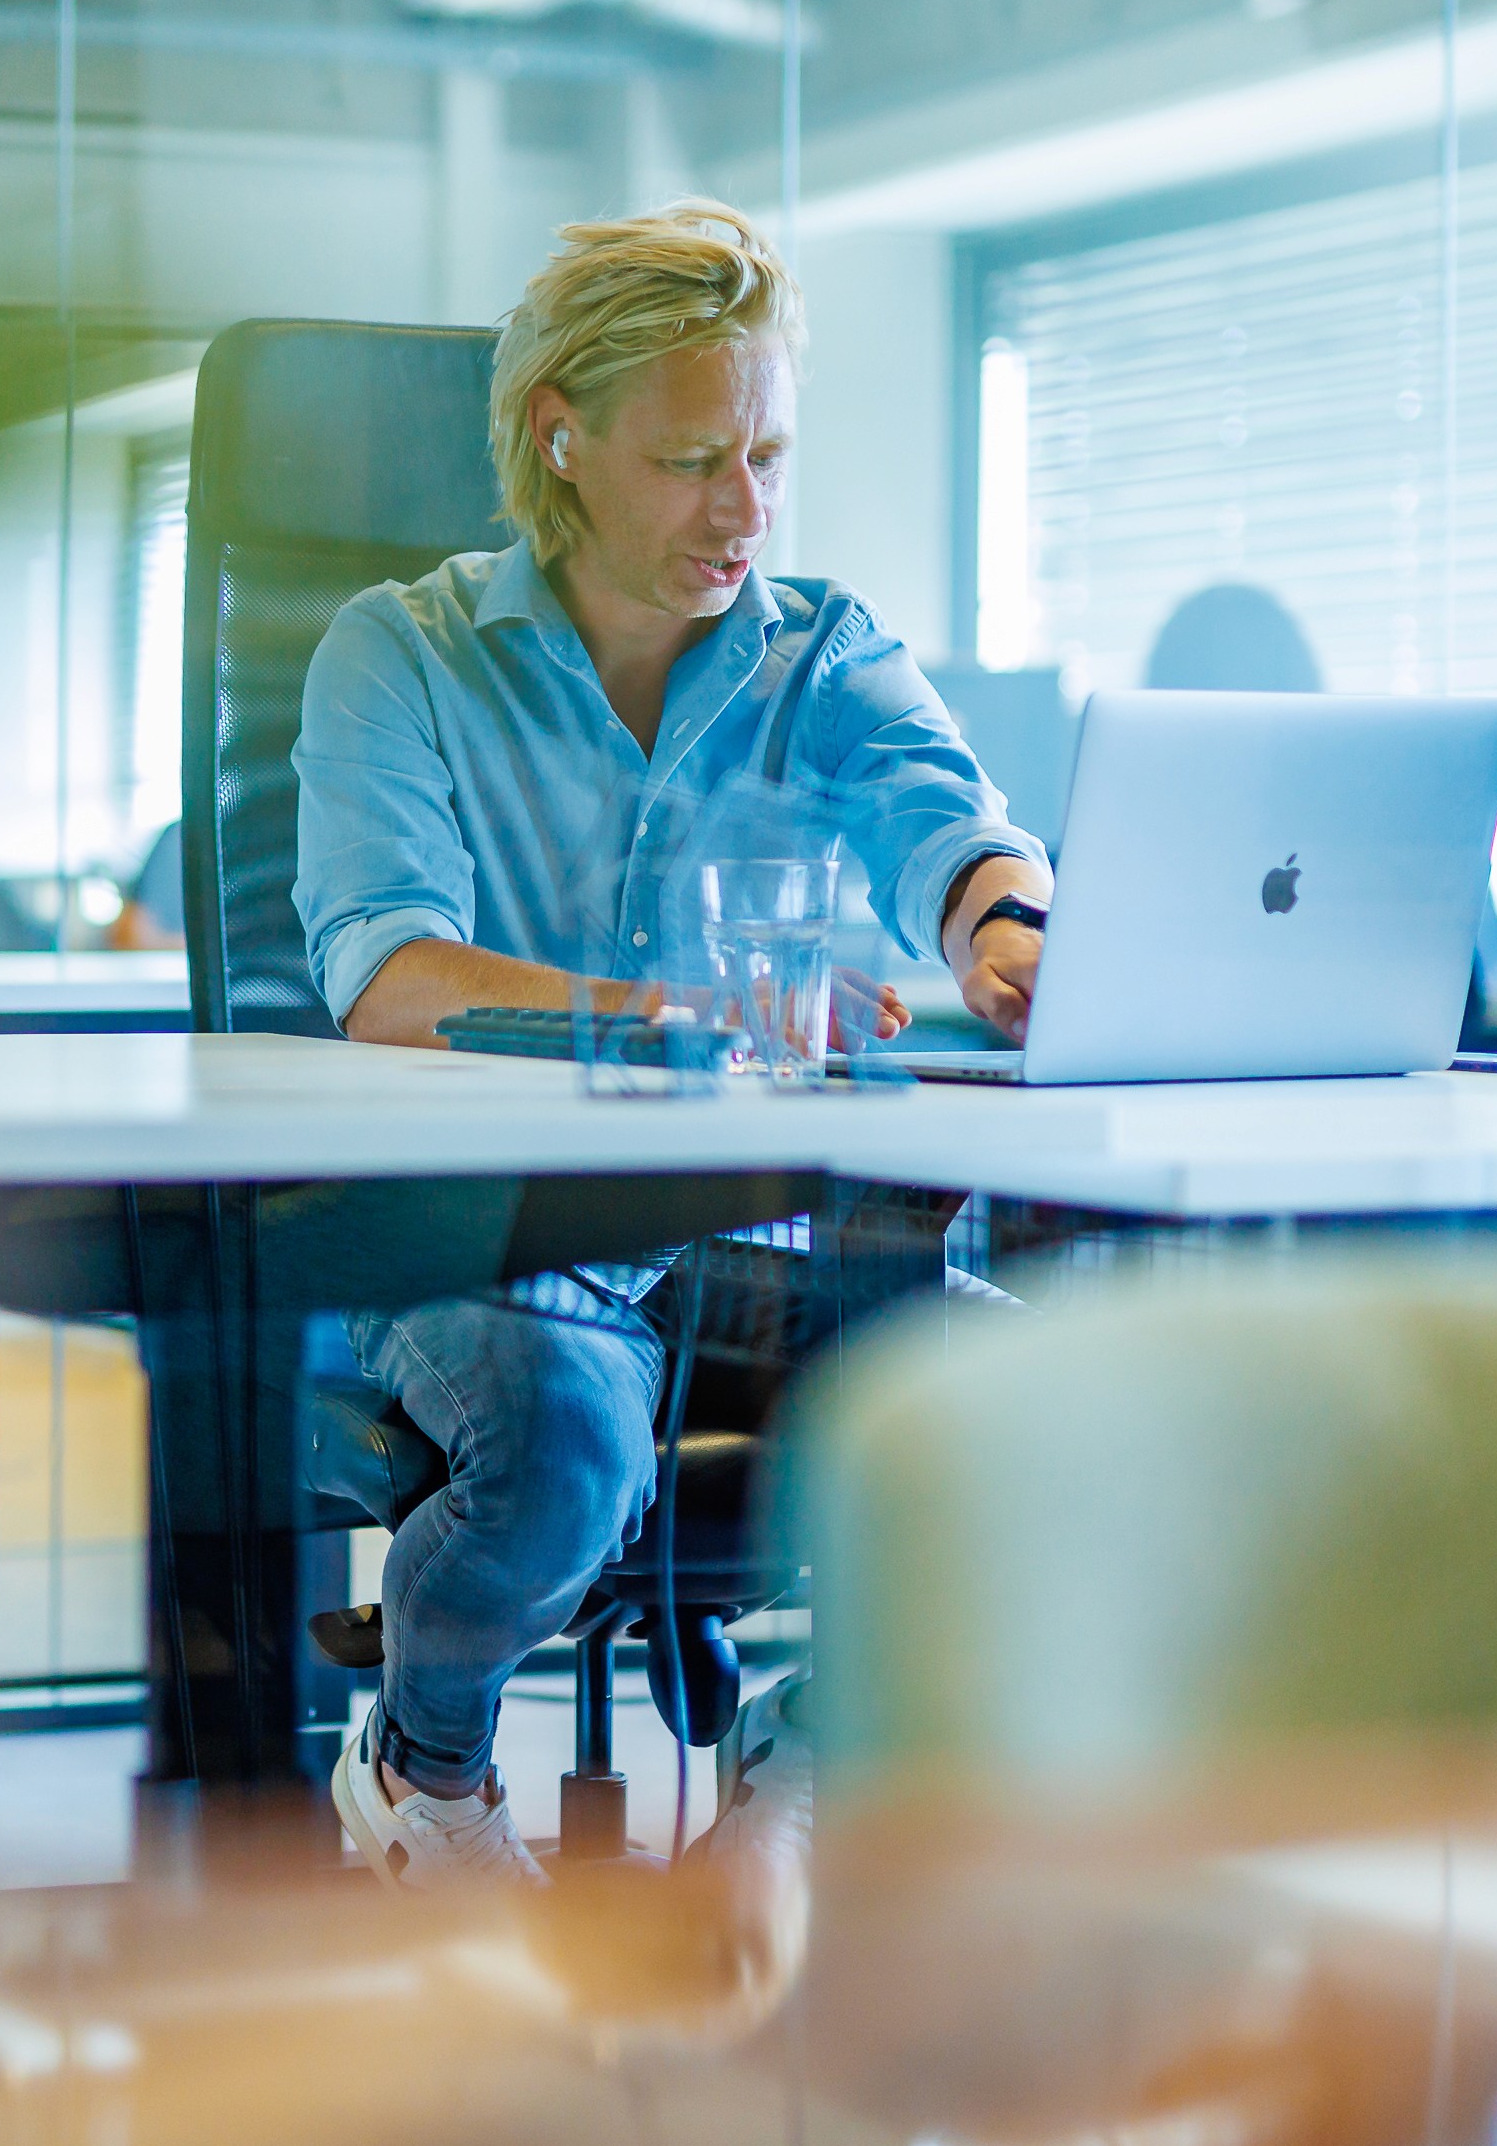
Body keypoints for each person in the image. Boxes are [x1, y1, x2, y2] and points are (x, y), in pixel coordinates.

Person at [290, 200, 1054, 1886]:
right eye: (696, 459)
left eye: (770, 455)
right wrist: (671, 1019)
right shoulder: (400, 658)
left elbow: (952, 828)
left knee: (1034, 1415)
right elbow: (388, 976)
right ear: (561, 440)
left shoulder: (821, 651)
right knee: (561, 1445)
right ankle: (425, 1778)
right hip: (490, 1235)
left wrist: (1007, 931)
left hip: (755, 1230)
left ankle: (801, 1772)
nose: (746, 509)